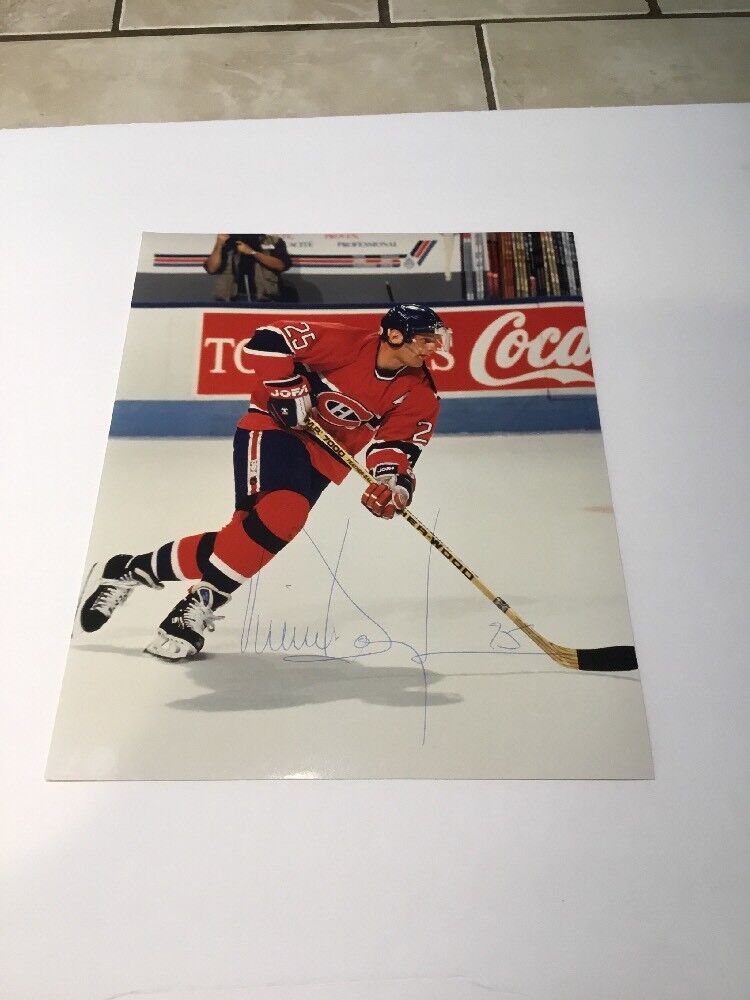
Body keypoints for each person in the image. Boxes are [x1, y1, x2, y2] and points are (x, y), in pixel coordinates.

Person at [79, 304, 450, 661]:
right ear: (396, 335)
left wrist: (392, 484)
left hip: (324, 460)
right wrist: (287, 388)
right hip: (272, 430)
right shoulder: (346, 344)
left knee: (245, 541)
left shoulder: (420, 393)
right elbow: (267, 339)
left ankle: (129, 569)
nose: (434, 348)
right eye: (426, 340)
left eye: (437, 340)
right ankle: (192, 609)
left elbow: (396, 446)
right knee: (284, 514)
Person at [203, 233, 292, 301]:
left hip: (265, 300)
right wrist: (218, 245)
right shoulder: (226, 240)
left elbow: (281, 265)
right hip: (229, 301)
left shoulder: (269, 240)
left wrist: (252, 252)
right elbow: (211, 268)